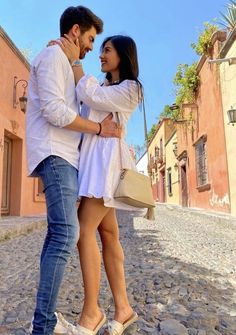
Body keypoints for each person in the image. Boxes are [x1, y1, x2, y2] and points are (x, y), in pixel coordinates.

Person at [26, 6, 121, 335]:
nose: (93, 46)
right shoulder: (53, 56)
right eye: (91, 39)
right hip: (56, 155)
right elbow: (54, 112)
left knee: (59, 235)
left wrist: (77, 63)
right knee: (67, 234)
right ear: (76, 30)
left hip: (65, 157)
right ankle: (42, 326)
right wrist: (98, 129)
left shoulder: (65, 61)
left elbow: (78, 99)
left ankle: (49, 322)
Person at [54, 34, 145, 335]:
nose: (101, 55)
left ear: (123, 55)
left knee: (83, 233)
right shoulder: (106, 86)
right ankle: (124, 308)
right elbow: (88, 101)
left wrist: (76, 61)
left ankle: (91, 312)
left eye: (107, 50)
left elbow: (90, 96)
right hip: (93, 165)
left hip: (106, 168)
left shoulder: (131, 89)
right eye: (101, 50)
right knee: (108, 234)